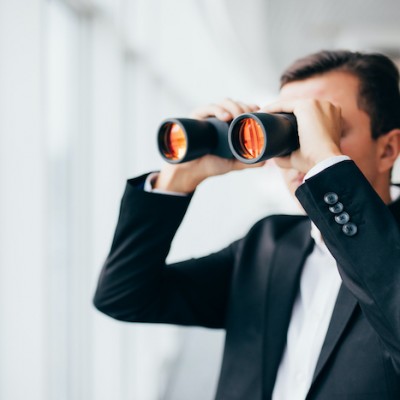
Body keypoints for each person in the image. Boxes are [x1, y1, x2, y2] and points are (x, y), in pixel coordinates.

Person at [93, 50, 400, 399]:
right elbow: (124, 295)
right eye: (291, 129)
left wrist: (326, 164)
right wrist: (177, 180)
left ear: (388, 149)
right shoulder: (268, 244)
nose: (300, 150)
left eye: (323, 128)